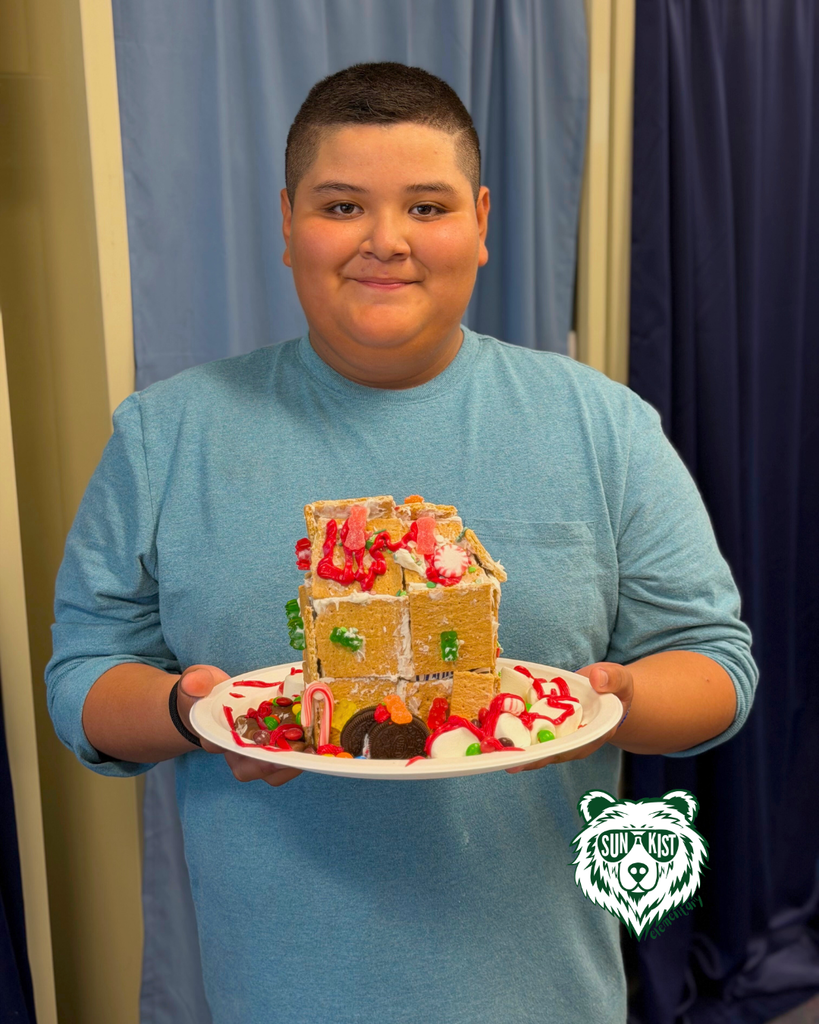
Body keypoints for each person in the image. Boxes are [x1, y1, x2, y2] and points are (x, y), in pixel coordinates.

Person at [47, 62, 757, 1023]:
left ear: (481, 221)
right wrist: (187, 710)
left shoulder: (602, 426)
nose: (385, 242)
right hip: (275, 994)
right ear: (288, 220)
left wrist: (610, 703)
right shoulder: (166, 434)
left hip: (542, 994)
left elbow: (716, 668)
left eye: (426, 206)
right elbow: (83, 679)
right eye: (343, 205)